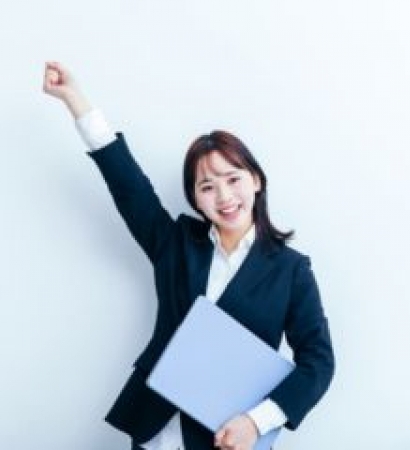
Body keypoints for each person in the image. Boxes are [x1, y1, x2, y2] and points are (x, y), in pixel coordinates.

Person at [43, 61, 335, 450]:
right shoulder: (176, 243)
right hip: (155, 430)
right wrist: (75, 100)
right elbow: (129, 186)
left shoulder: (290, 269)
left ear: (256, 180)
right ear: (195, 198)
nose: (224, 196)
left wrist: (256, 421)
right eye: (207, 186)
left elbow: (318, 362)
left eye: (233, 179)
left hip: (226, 436)